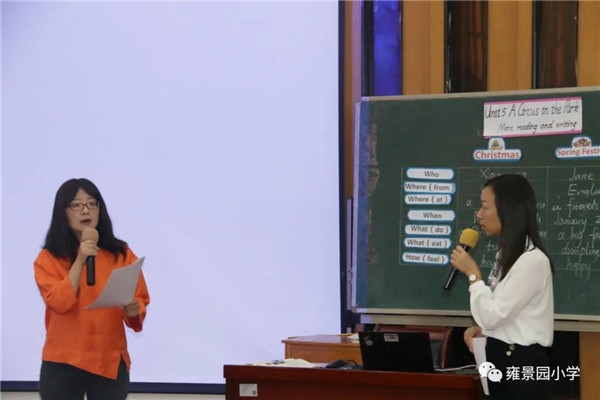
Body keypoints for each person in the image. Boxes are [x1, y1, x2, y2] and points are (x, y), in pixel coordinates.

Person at [34, 178, 150, 400]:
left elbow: (139, 299)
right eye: (76, 205)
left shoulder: (121, 253)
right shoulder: (49, 258)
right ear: (63, 212)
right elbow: (60, 302)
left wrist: (135, 310)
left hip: (109, 360)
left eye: (91, 203)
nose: (85, 210)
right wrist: (80, 259)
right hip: (63, 361)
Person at [450, 174, 554, 400]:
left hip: (521, 365)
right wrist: (487, 331)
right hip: (501, 358)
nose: (479, 214)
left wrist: (473, 276)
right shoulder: (507, 256)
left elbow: (493, 316)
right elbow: (505, 314)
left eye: (485, 206)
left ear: (507, 209)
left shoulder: (531, 260)